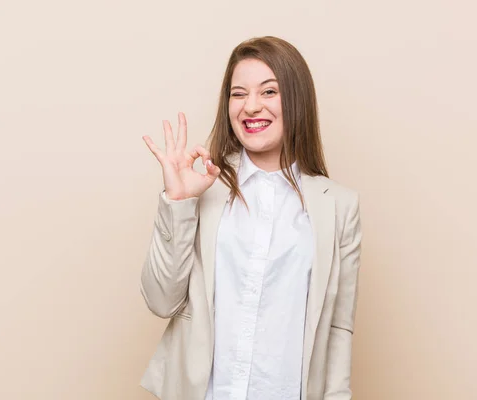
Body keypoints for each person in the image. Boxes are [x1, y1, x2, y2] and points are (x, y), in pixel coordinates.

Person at [140, 36, 362, 400]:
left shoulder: (339, 205)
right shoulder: (202, 185)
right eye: (238, 94)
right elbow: (160, 300)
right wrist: (177, 202)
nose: (251, 107)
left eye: (269, 92)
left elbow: (338, 327)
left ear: (297, 100)